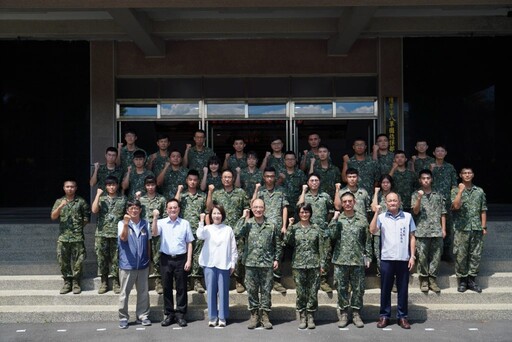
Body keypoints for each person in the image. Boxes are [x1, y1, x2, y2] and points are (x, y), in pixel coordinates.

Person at [370, 192, 416, 329]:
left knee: (403, 289)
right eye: (390, 201)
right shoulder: (381, 217)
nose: (392, 203)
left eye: (395, 200)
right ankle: (384, 316)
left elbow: (412, 237)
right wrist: (376, 213)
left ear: (399, 202)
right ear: (386, 202)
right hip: (387, 258)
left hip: (403, 258)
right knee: (385, 289)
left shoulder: (407, 217)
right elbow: (372, 230)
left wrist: (412, 255)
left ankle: (402, 317)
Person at [235, 199, 282, 330]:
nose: (258, 210)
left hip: (267, 264)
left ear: (264, 208)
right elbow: (236, 233)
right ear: (251, 208)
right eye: (255, 207)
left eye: (260, 207)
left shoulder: (271, 225)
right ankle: (254, 316)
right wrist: (243, 218)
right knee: (252, 291)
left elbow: (277, 243)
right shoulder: (247, 224)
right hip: (250, 263)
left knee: (266, 291)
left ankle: (265, 316)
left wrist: (277, 259)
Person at [327, 192, 371, 328]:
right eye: (344, 201)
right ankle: (344, 313)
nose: (347, 204)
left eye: (349, 201)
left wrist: (368, 256)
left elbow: (367, 240)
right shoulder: (338, 219)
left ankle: (356, 313)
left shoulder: (362, 220)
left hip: (357, 259)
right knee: (341, 288)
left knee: (358, 288)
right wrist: (333, 220)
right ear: (341, 203)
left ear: (354, 202)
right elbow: (331, 236)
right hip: (341, 259)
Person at [152, 199, 194, 327]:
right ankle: (169, 314)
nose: (173, 210)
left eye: (175, 207)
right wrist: (154, 218)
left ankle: (181, 314)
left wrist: (189, 259)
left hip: (181, 259)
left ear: (179, 209)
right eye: (170, 208)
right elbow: (154, 233)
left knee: (181, 287)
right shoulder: (161, 222)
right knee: (167, 287)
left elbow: (189, 242)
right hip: (166, 258)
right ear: (166, 210)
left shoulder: (185, 223)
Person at [207, 169, 250, 293]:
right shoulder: (217, 193)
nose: (227, 179)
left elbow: (246, 210)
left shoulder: (240, 193)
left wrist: (245, 227)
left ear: (233, 179)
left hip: (237, 230)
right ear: (221, 179)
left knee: (239, 254)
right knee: (220, 253)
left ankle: (238, 280)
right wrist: (210, 192)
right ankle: (221, 279)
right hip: (220, 230)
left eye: (229, 177)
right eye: (225, 177)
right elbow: (209, 208)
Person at [284, 203, 324, 330]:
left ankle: (311, 315)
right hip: (299, 264)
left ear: (310, 213)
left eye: (306, 212)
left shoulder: (316, 228)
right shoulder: (294, 228)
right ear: (298, 214)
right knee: (301, 292)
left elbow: (322, 247)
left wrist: (322, 264)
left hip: (314, 264)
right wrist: (289, 226)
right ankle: (302, 315)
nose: (304, 214)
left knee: (313, 291)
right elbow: (286, 241)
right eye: (302, 212)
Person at [197, 205, 238, 327]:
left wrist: (233, 263)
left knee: (223, 291)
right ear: (211, 215)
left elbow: (233, 247)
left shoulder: (228, 229)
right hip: (209, 264)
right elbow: (199, 235)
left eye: (219, 213)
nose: (216, 216)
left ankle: (222, 317)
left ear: (222, 215)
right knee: (211, 291)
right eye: (214, 213)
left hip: (224, 264)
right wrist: (201, 221)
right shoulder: (207, 228)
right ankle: (212, 317)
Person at [252, 166, 289, 294]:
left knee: (278, 251)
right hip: (264, 226)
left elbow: (284, 208)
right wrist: (256, 189)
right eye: (267, 176)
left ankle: (277, 281)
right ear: (264, 177)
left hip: (277, 226)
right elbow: (253, 204)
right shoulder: (260, 191)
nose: (269, 179)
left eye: (272, 176)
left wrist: (284, 225)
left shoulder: (281, 191)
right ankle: (265, 279)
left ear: (275, 177)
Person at [451, 167, 488, 293]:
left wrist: (483, 226)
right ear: (461, 175)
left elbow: (483, 210)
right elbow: (455, 206)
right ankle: (462, 281)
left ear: (473, 175)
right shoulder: (455, 190)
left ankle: (472, 280)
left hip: (476, 227)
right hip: (461, 228)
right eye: (464, 173)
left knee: (475, 255)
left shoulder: (479, 191)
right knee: (461, 255)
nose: (467, 175)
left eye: (469, 173)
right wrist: (460, 192)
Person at [51, 179, 90, 295]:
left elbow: (86, 218)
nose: (70, 189)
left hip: (77, 237)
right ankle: (67, 282)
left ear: (76, 188)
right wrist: (60, 207)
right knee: (63, 260)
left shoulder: (81, 202)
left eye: (72, 187)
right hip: (63, 237)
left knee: (78, 261)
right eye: (67, 187)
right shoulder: (59, 201)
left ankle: (76, 282)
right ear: (64, 188)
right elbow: (53, 216)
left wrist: (77, 228)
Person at [297, 173, 334, 293]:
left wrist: (325, 223)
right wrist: (303, 191)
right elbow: (299, 206)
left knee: (325, 254)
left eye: (316, 180)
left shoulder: (325, 196)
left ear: (319, 182)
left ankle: (323, 280)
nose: (314, 182)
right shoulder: (304, 197)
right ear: (308, 183)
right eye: (311, 180)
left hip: (322, 230)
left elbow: (330, 210)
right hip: (308, 231)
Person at [117, 200, 152, 329]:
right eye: (131, 208)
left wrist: (148, 259)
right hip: (127, 265)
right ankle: (123, 317)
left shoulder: (145, 224)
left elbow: (148, 243)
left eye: (136, 208)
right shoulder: (121, 224)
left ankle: (143, 316)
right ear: (127, 210)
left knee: (143, 292)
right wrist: (126, 224)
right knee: (124, 293)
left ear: (140, 210)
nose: (134, 210)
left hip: (142, 264)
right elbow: (123, 238)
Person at [411, 169, 446, 293]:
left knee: (436, 255)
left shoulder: (438, 195)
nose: (426, 180)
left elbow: (443, 213)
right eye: (423, 178)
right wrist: (419, 198)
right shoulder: (415, 194)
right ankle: (424, 279)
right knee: (422, 256)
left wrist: (443, 228)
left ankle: (432, 279)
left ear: (431, 179)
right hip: (422, 230)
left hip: (436, 230)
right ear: (420, 180)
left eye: (428, 178)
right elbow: (415, 211)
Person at [91, 175, 127, 294]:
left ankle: (116, 281)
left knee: (116, 259)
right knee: (102, 259)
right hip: (102, 234)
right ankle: (104, 281)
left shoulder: (123, 199)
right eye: (109, 185)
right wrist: (97, 195)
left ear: (117, 185)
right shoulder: (101, 199)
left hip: (117, 234)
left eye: (113, 185)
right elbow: (94, 210)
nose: (111, 187)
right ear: (106, 186)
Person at [175, 169, 207, 293]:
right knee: (184, 255)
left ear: (198, 181)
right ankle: (186, 280)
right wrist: (179, 190)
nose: (192, 182)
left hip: (198, 230)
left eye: (195, 180)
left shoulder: (202, 196)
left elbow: (207, 210)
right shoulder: (182, 196)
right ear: (187, 181)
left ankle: (197, 280)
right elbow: (175, 203)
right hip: (184, 230)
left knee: (197, 254)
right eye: (190, 180)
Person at [137, 175, 167, 294]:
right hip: (143, 231)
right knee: (144, 254)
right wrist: (137, 199)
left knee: (157, 255)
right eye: (148, 185)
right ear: (145, 186)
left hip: (157, 230)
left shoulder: (161, 199)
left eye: (152, 185)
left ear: (156, 185)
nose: (150, 187)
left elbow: (165, 216)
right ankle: (143, 281)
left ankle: (158, 281)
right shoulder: (141, 199)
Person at [430, 144, 458, 262]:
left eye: (442, 151)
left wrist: (454, 199)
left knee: (448, 226)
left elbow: (454, 185)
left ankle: (446, 252)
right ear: (434, 153)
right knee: (433, 225)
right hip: (432, 202)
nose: (440, 153)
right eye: (438, 151)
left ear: (445, 153)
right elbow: (423, 181)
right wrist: (431, 170)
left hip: (447, 201)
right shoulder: (430, 166)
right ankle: (433, 252)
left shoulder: (450, 167)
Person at [370, 174, 395, 277]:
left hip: (391, 229)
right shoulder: (378, 195)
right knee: (378, 253)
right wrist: (376, 193)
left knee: (391, 253)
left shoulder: (394, 196)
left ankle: (392, 276)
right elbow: (373, 208)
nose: (385, 185)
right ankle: (382, 274)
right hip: (378, 229)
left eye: (387, 182)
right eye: (383, 182)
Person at [282, 150, 307, 220]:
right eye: (287, 159)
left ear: (295, 160)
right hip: (282, 207)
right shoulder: (279, 173)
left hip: (296, 207)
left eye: (292, 159)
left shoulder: (300, 174)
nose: (290, 161)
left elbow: (305, 189)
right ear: (284, 160)